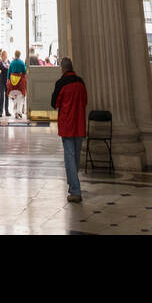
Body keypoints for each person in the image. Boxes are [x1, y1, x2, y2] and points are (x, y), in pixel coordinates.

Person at [51, 56, 87, 203]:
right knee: (76, 156)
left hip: (67, 124)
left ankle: (75, 190)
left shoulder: (61, 83)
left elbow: (54, 103)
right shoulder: (81, 82)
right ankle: (74, 183)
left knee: (70, 157)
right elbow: (85, 101)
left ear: (63, 68)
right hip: (79, 123)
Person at [8, 49, 27, 119]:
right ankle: (19, 112)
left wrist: (8, 79)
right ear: (19, 55)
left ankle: (15, 112)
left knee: (15, 96)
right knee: (20, 96)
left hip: (13, 81)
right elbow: (24, 72)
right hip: (20, 81)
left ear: (14, 55)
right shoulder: (22, 63)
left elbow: (9, 72)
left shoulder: (12, 63)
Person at [0, 48, 10, 117]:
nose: (5, 56)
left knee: (7, 96)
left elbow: (9, 69)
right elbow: (2, 69)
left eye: (6, 55)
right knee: (1, 96)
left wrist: (7, 67)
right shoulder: (0, 62)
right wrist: (6, 67)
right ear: (2, 56)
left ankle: (7, 111)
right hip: (1, 81)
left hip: (7, 81)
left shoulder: (8, 62)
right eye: (3, 55)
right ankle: (1, 111)